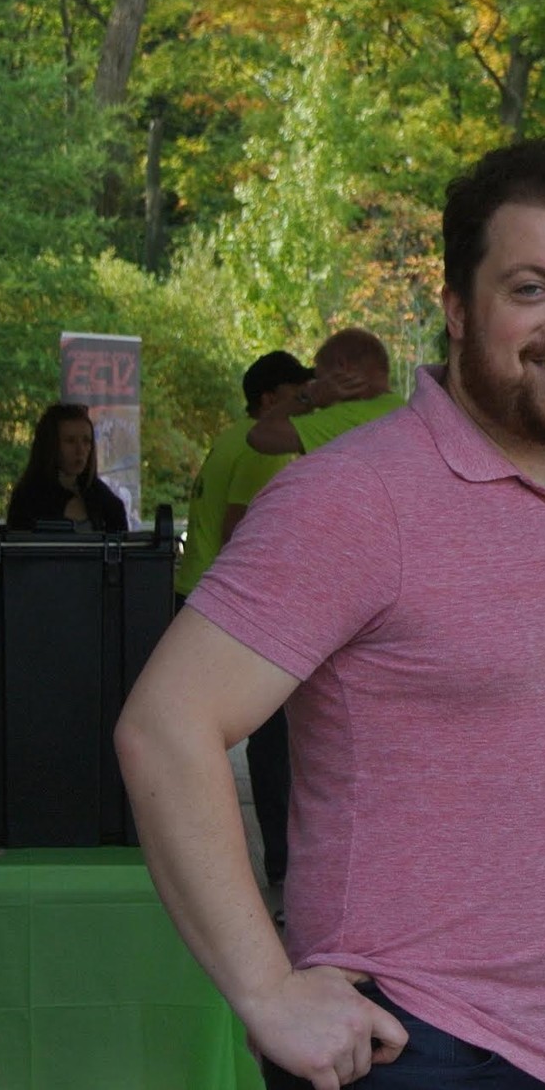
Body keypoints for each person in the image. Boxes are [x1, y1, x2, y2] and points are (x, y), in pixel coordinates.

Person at [115, 138, 545, 1090]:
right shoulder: (358, 496)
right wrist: (264, 989)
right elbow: (165, 725)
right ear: (456, 307)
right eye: (531, 288)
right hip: (416, 1059)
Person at [174, 349, 313, 890]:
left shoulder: (230, 437)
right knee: (272, 739)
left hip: (196, 596)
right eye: (299, 394)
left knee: (213, 734)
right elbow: (242, 532)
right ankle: (280, 864)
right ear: (268, 400)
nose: (309, 403)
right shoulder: (264, 450)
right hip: (227, 608)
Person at [247, 327, 405, 456]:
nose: (313, 385)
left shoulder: (347, 417)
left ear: (343, 368)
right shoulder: (405, 408)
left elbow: (259, 435)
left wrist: (310, 397)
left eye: (319, 379)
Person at [5, 403, 128, 531]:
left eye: (86, 441)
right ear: (51, 445)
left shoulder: (106, 501)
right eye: (70, 441)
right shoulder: (28, 498)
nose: (80, 450)